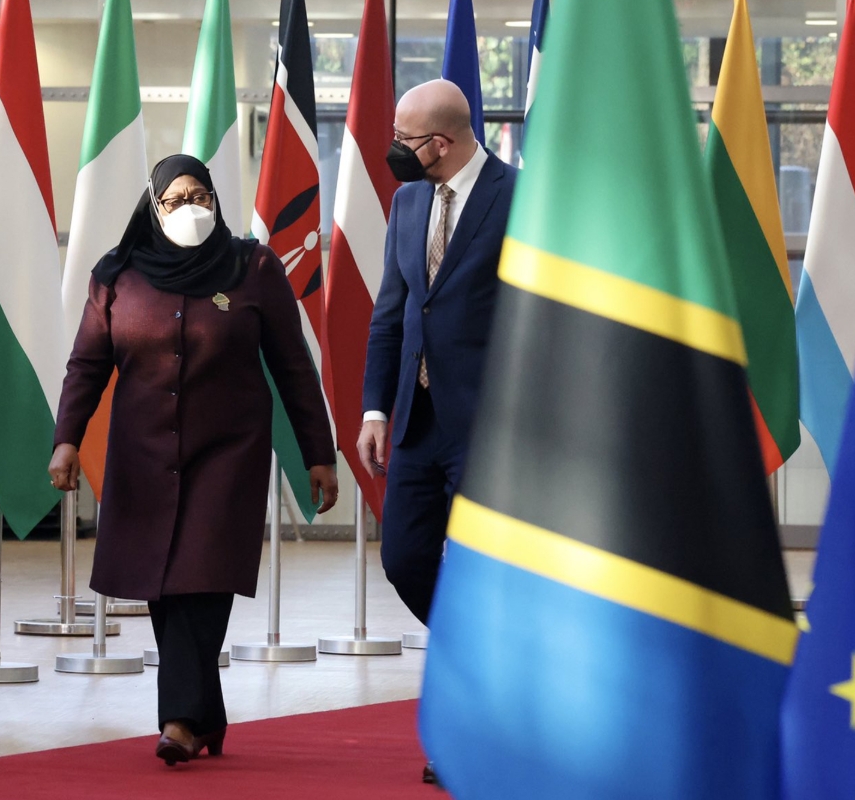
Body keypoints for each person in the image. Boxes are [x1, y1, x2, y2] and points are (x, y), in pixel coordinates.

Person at [49, 154, 337, 767]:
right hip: (143, 456)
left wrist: (319, 452)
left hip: (228, 453)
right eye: (175, 199)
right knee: (162, 582)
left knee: (203, 577)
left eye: (199, 195)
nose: (189, 208)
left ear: (215, 199)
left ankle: (180, 721)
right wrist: (66, 438)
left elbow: (293, 365)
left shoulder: (253, 267)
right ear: (154, 209)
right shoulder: (118, 274)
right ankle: (208, 715)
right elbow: (87, 364)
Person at [359, 80, 518, 629]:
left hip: (488, 424)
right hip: (416, 422)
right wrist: (375, 410)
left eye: (404, 138)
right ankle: (468, 648)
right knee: (403, 559)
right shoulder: (407, 202)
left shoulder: (519, 197)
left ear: (441, 143)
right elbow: (391, 314)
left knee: (486, 565)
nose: (395, 148)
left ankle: (486, 665)